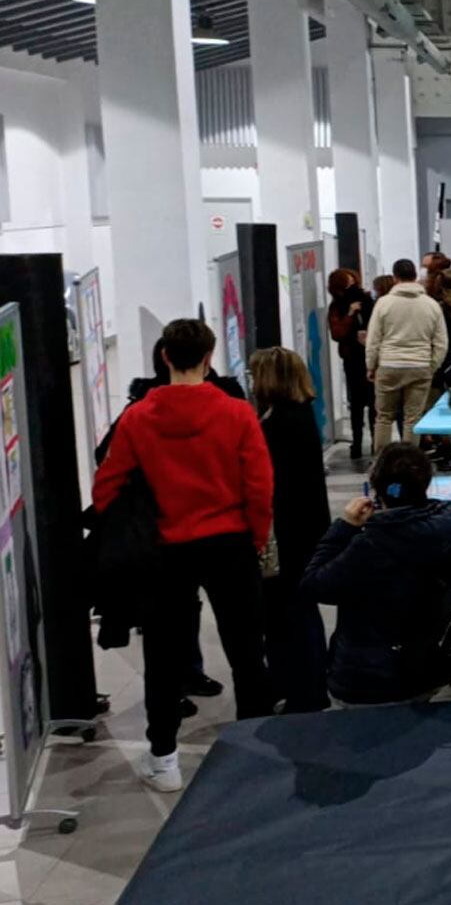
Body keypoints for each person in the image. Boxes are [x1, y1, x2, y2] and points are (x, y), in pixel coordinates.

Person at [92, 319, 274, 792]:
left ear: (165, 357)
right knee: (246, 649)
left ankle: (164, 757)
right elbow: (259, 485)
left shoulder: (136, 417)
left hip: (164, 550)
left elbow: (106, 486)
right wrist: (256, 537)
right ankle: (254, 744)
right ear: (209, 358)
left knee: (164, 655)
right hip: (230, 542)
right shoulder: (237, 413)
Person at [301, 443, 451, 706]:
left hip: (369, 677)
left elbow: (314, 585)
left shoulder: (373, 544)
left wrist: (344, 528)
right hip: (425, 663)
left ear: (377, 488)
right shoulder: (447, 523)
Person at [247, 348, 331, 714]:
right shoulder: (298, 416)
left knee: (292, 616)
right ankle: (300, 686)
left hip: (289, 536)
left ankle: (306, 692)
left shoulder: (278, 426)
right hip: (305, 532)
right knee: (295, 614)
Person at [366, 258, 448, 452]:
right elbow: (441, 342)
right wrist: (431, 366)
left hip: (389, 365)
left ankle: (382, 461)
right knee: (413, 418)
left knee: (384, 417)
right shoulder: (431, 305)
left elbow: (373, 339)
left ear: (395, 278)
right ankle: (410, 462)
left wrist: (371, 365)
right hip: (420, 366)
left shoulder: (383, 303)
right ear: (415, 276)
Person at [327, 268, 377, 460]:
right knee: (356, 404)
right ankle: (357, 442)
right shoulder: (336, 308)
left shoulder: (368, 303)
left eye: (353, 282)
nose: (352, 287)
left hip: (370, 357)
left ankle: (374, 442)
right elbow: (337, 333)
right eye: (347, 284)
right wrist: (349, 314)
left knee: (373, 403)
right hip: (352, 359)